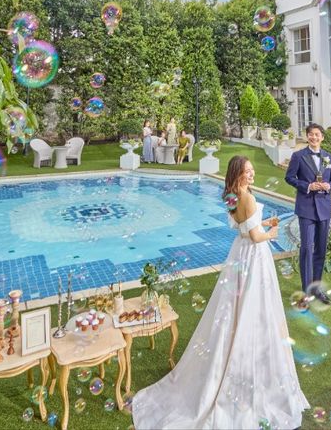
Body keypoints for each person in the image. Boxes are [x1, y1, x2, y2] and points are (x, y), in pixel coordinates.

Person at [132, 157, 309, 429]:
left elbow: (244, 228)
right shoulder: (248, 197)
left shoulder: (232, 196)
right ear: (238, 174)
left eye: (252, 170)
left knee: (233, 307)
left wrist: (263, 223)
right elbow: (255, 237)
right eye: (247, 171)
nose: (252, 174)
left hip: (239, 255)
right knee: (254, 306)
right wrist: (272, 232)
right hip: (254, 257)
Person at [285, 123, 331, 293]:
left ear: (322, 137)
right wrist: (308, 186)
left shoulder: (329, 157)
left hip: (324, 208)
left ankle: (316, 289)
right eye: (310, 134)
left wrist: (329, 186)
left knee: (321, 250)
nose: (314, 137)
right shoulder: (298, 156)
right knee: (307, 249)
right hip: (306, 207)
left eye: (317, 134)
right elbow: (289, 177)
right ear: (307, 136)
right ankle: (307, 291)